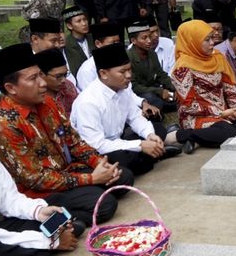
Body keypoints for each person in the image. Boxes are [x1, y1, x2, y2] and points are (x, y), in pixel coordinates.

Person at [0, 44, 130, 229]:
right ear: (11, 88)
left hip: (68, 171)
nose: (43, 83)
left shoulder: (48, 102)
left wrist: (99, 164)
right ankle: (62, 217)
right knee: (104, 204)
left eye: (40, 75)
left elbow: (75, 142)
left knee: (123, 176)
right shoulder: (6, 124)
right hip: (41, 191)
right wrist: (92, 179)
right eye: (33, 78)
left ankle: (75, 212)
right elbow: (35, 179)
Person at [0, 87, 79, 256]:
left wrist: (38, 212)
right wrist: (47, 242)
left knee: (68, 220)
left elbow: (10, 199)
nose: (0, 129)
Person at [71, 43, 180, 176]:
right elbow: (96, 145)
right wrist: (140, 145)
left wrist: (149, 135)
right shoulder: (88, 101)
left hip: (119, 141)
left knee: (158, 130)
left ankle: (151, 152)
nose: (129, 76)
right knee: (123, 161)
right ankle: (151, 155)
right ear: (104, 74)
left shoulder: (124, 88)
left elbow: (135, 117)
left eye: (130, 70)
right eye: (123, 72)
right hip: (98, 151)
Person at [170, 20, 236, 154]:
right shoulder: (182, 68)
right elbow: (189, 105)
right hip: (197, 117)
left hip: (224, 113)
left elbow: (229, 87)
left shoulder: (216, 57)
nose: (212, 43)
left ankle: (197, 139)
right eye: (207, 40)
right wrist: (220, 113)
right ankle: (182, 135)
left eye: (212, 38)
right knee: (227, 132)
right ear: (192, 41)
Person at [127, 20, 176, 112]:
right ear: (133, 40)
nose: (149, 40)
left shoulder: (152, 54)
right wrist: (159, 91)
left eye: (149, 36)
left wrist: (174, 86)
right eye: (144, 38)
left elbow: (161, 75)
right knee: (152, 99)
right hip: (140, 94)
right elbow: (134, 86)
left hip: (154, 90)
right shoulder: (128, 58)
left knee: (176, 97)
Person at [34, 49, 79, 116]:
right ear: (41, 74)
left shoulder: (68, 86)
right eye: (58, 76)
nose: (63, 80)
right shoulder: (35, 97)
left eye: (65, 75)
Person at [62, 6, 93, 77]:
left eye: (85, 19)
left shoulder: (93, 39)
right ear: (69, 26)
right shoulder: (66, 45)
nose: (84, 24)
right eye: (79, 21)